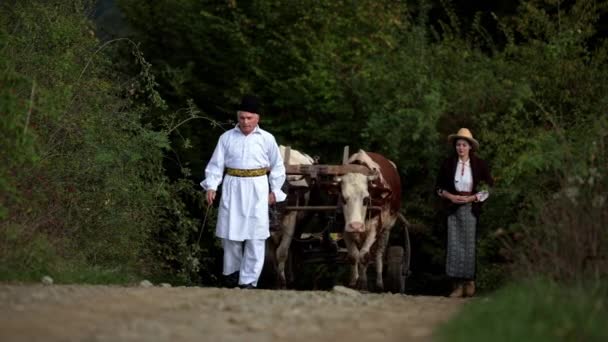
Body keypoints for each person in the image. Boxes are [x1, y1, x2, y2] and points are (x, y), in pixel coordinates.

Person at [200, 95, 286, 289]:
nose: (245, 122)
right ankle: (232, 275)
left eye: (249, 118)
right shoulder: (227, 138)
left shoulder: (267, 139)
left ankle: (249, 281)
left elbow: (278, 167)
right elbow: (216, 164)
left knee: (255, 236)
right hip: (233, 187)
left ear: (257, 118)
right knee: (231, 235)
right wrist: (212, 186)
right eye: (242, 118)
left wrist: (275, 190)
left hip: (257, 188)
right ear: (238, 117)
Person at [435, 128, 493, 297]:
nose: (460, 148)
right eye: (458, 145)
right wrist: (450, 196)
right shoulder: (447, 164)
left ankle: (470, 282)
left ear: (470, 147)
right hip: (453, 208)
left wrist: (472, 198)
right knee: (454, 245)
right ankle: (458, 285)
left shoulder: (479, 165)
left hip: (471, 208)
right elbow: (438, 188)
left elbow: (488, 188)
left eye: (464, 145)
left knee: (469, 244)